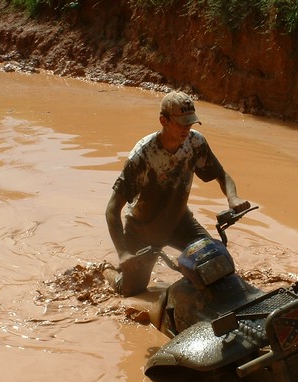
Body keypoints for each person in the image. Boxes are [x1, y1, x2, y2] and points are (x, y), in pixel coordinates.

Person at [102, 91, 250, 297]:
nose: (187, 129)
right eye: (182, 123)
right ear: (164, 120)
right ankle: (105, 270)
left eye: (190, 123)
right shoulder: (142, 155)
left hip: (181, 223)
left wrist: (233, 197)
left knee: (216, 264)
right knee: (130, 290)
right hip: (143, 231)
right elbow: (111, 210)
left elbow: (221, 175)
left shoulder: (195, 143)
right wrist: (123, 253)